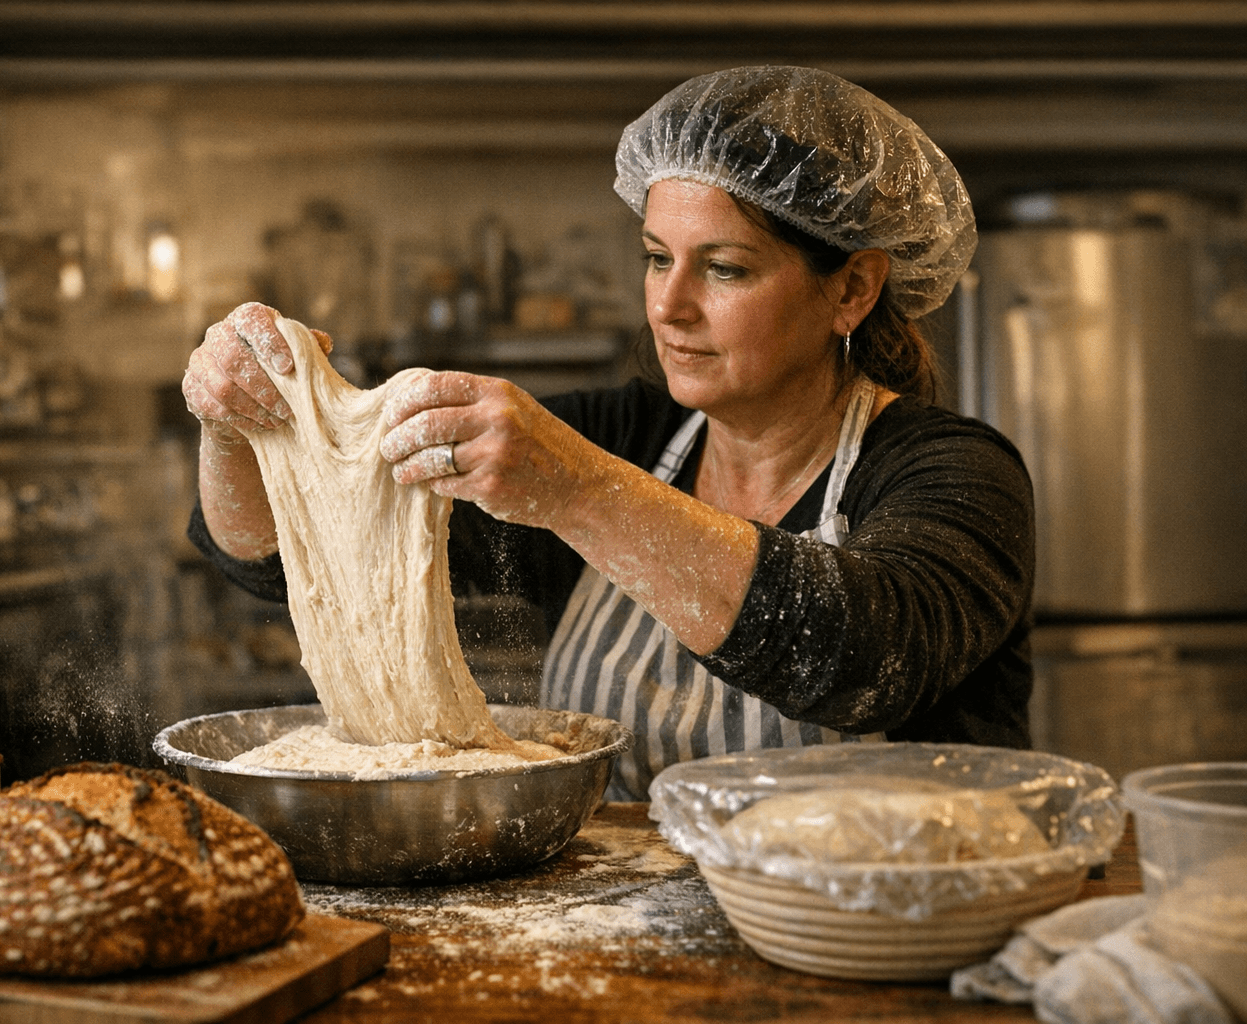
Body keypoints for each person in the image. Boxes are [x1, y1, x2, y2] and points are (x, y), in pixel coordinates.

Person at [182, 66, 1034, 801]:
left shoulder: (951, 472)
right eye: (657, 258)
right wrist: (237, 426)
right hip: (623, 939)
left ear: (851, 290)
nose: (669, 305)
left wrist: (581, 490)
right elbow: (275, 559)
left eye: (725, 268)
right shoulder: (623, 434)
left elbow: (861, 658)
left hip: (863, 943)